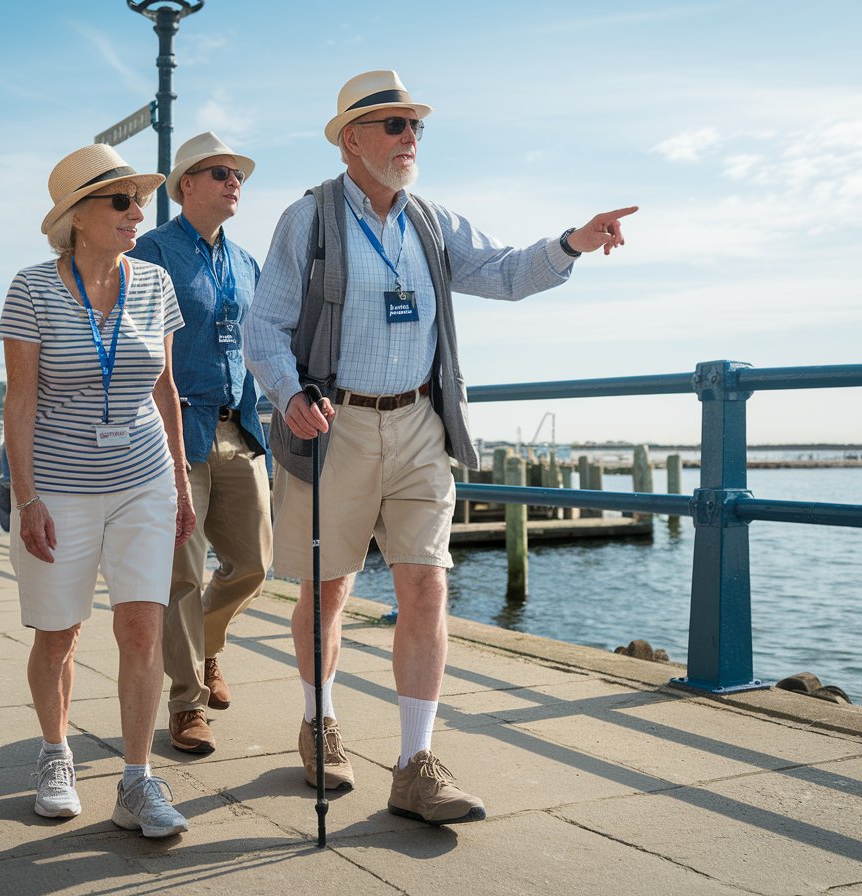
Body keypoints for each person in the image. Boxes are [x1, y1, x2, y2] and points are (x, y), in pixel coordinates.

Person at [243, 70, 638, 827]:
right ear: (351, 139)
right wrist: (289, 396)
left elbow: (505, 273)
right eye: (393, 126)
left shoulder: (431, 221)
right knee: (327, 590)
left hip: (424, 422)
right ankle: (318, 721)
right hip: (335, 423)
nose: (410, 138)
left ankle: (414, 764)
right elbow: (265, 326)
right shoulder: (310, 219)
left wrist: (572, 243)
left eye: (415, 126)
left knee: (425, 585)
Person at [0, 143, 195, 838]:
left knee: (142, 627)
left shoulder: (154, 284)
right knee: (59, 635)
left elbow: (165, 389)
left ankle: (137, 782)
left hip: (144, 479)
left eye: (139, 200)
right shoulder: (32, 288)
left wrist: (180, 478)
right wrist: (26, 498)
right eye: (121, 200)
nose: (138, 212)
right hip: (59, 487)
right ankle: (56, 755)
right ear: (77, 216)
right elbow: (18, 403)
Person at [129, 133, 272, 755]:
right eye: (220, 172)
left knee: (255, 563)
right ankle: (185, 704)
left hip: (238, 426)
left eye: (238, 173)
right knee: (181, 576)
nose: (233, 181)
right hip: (173, 433)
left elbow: (265, 340)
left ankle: (207, 646)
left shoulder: (246, 262)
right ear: (187, 184)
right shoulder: (149, 251)